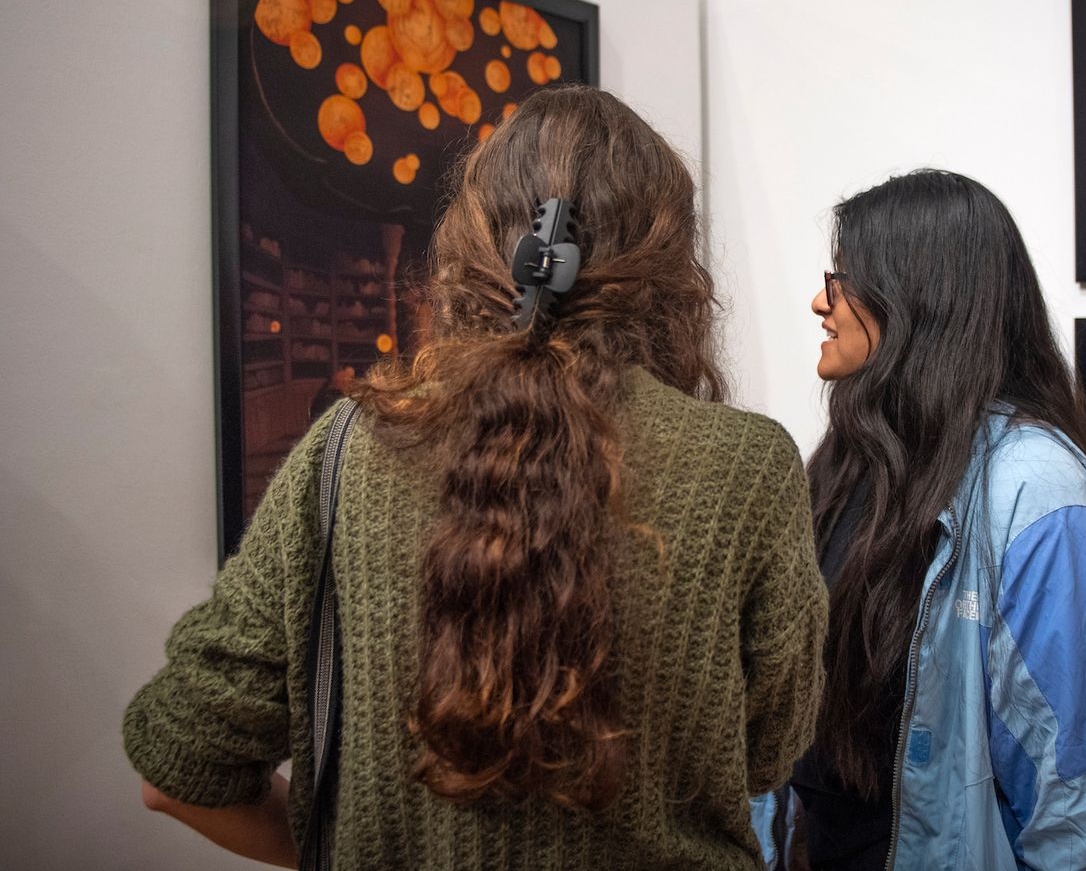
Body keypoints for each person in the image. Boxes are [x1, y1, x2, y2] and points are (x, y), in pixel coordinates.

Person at [123, 86, 827, 869]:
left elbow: (179, 772)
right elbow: (766, 753)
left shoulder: (348, 448)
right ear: (667, 266)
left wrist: (349, 844)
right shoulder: (747, 466)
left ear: (472, 244)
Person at [787, 169, 1086, 870]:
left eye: (842, 281)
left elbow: (1084, 800)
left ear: (916, 297)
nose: (819, 303)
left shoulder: (1037, 489)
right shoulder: (850, 461)